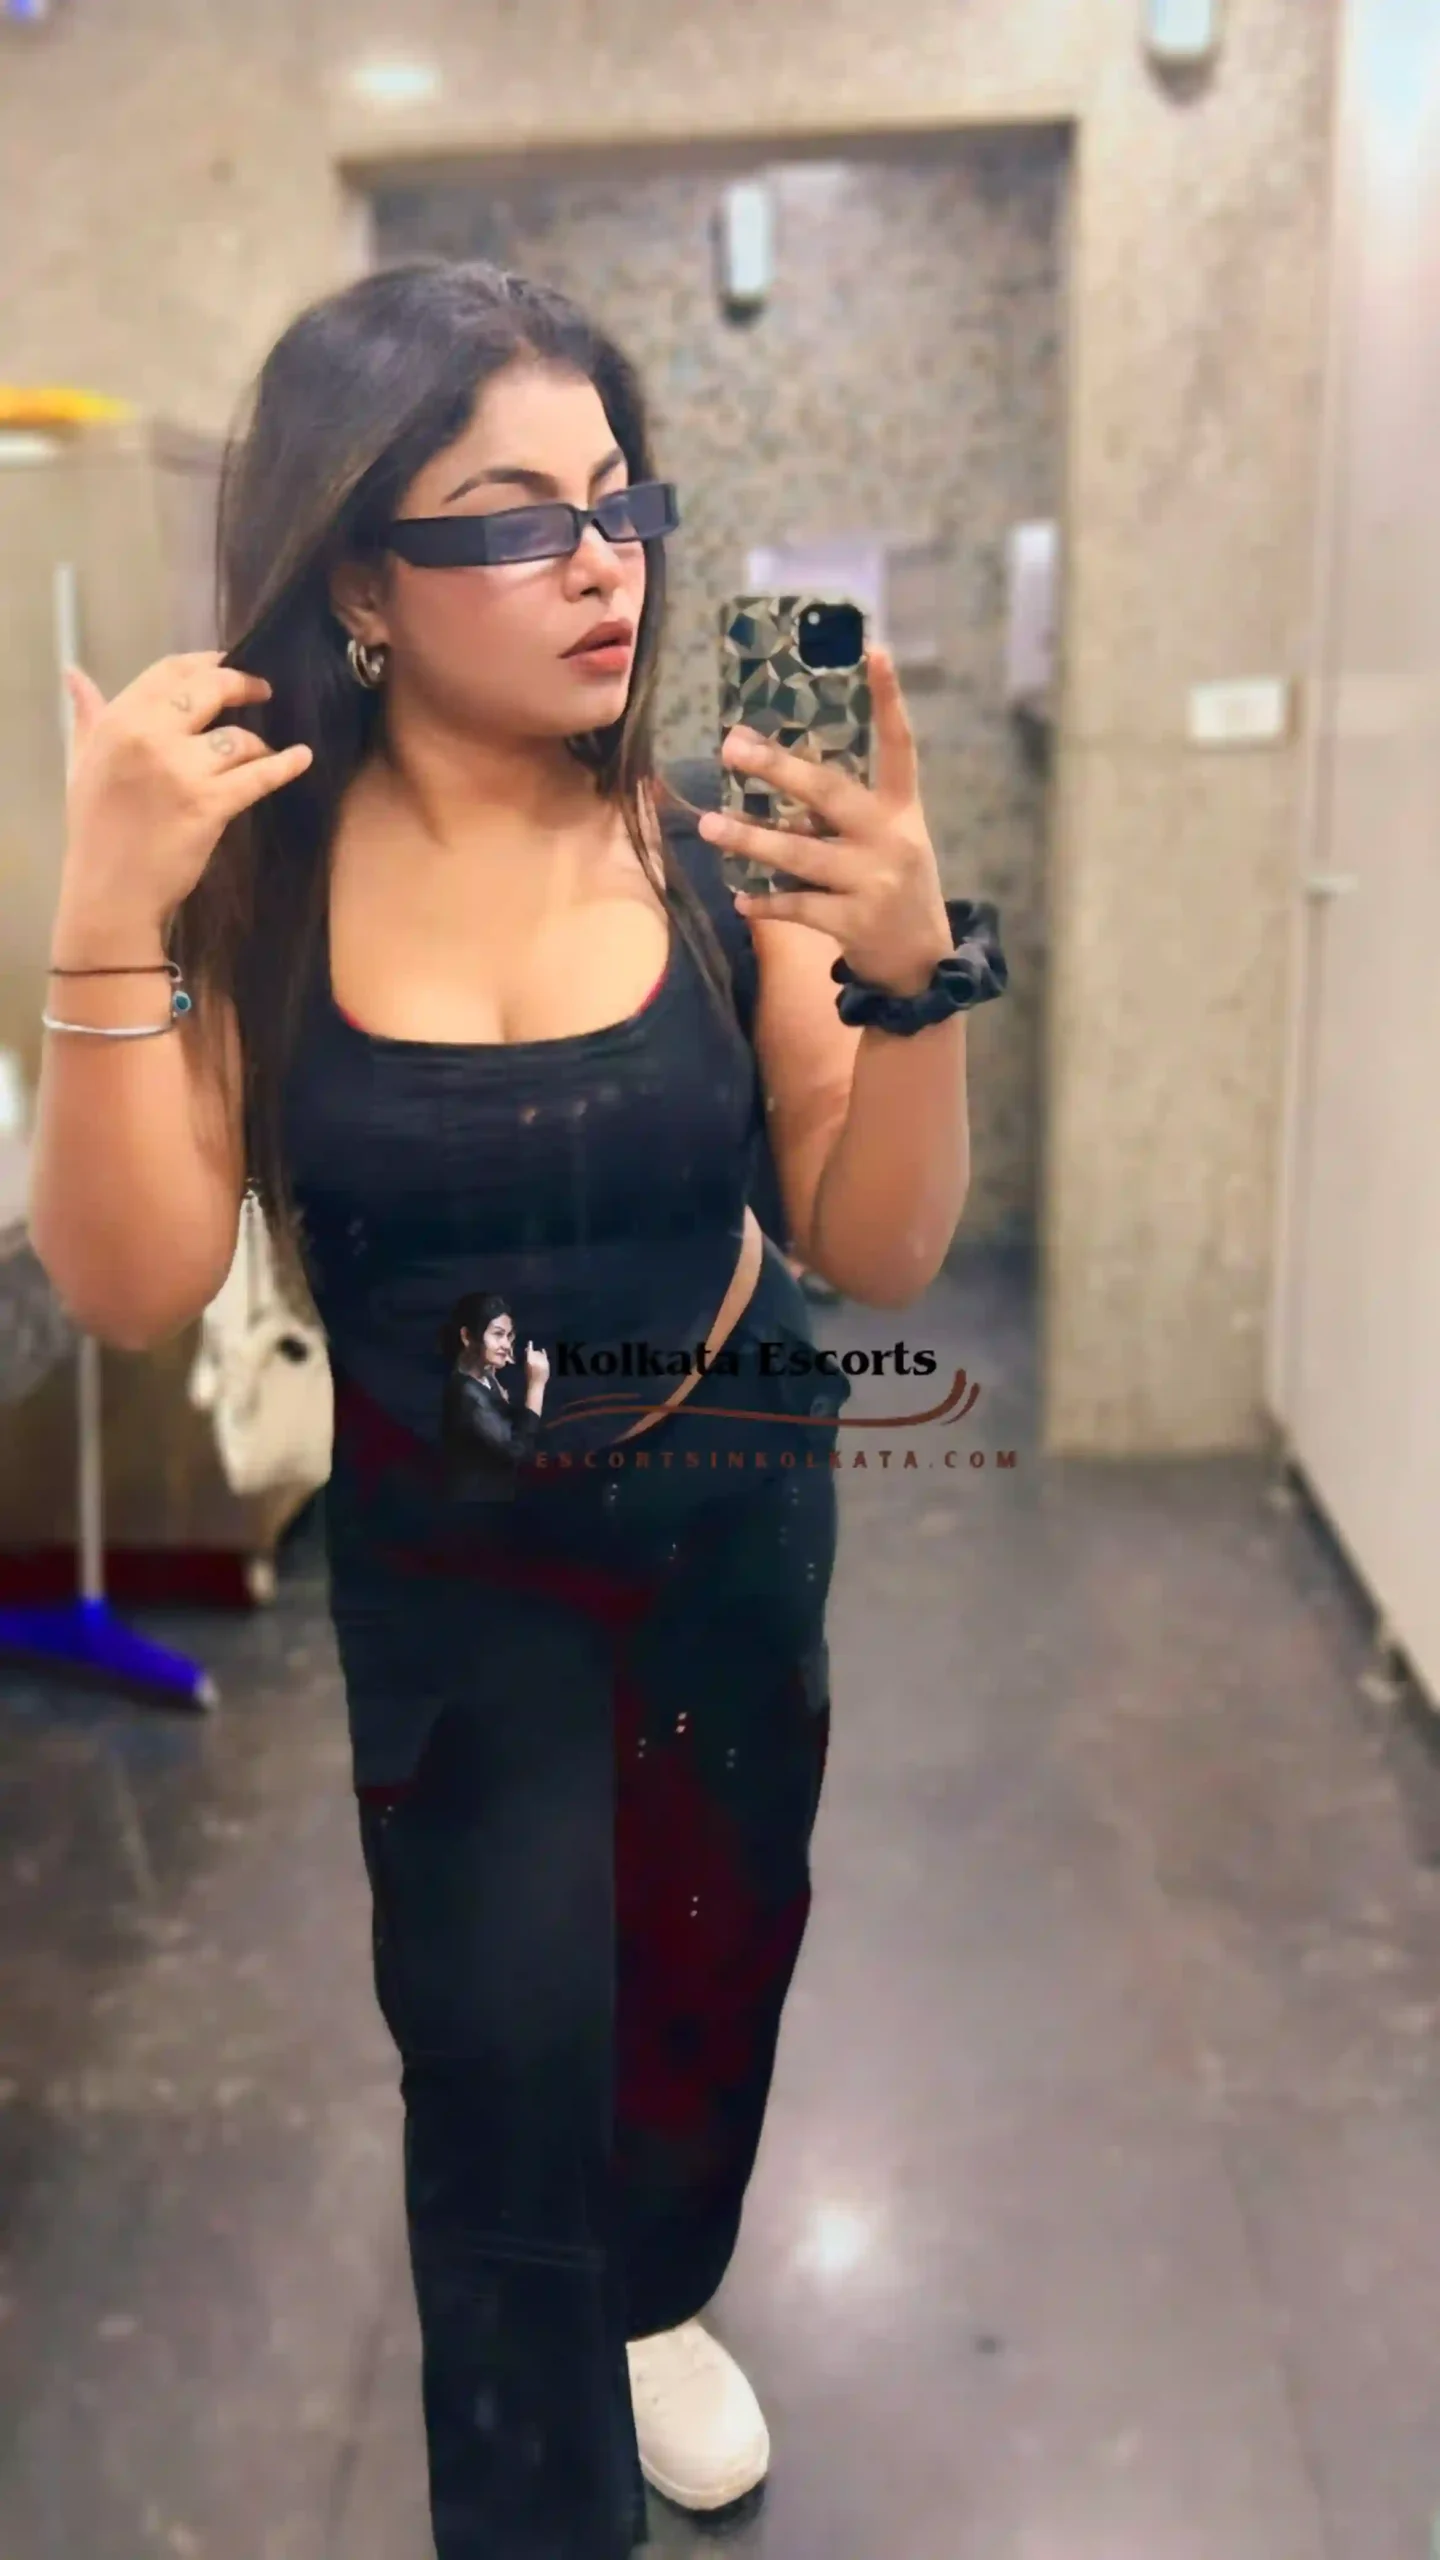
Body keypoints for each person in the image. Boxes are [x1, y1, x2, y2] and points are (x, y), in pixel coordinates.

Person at [27, 260, 1006, 2559]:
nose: (599, 565)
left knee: (709, 1963)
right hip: (453, 1556)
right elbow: (134, 1278)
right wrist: (98, 907)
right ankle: (531, 2485)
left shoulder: (714, 846)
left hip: (734, 1495)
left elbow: (875, 1243)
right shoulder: (253, 888)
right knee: (490, 2050)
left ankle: (654, 2293)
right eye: (512, 516)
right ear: (358, 579)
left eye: (616, 499)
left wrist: (910, 977)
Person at [440, 1293, 548, 1500]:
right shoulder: (466, 1394)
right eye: (498, 1335)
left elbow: (514, 1428)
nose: (506, 1345)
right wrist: (536, 1385)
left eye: (509, 1337)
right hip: (476, 1508)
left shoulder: (486, 1380)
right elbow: (517, 1450)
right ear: (467, 1337)